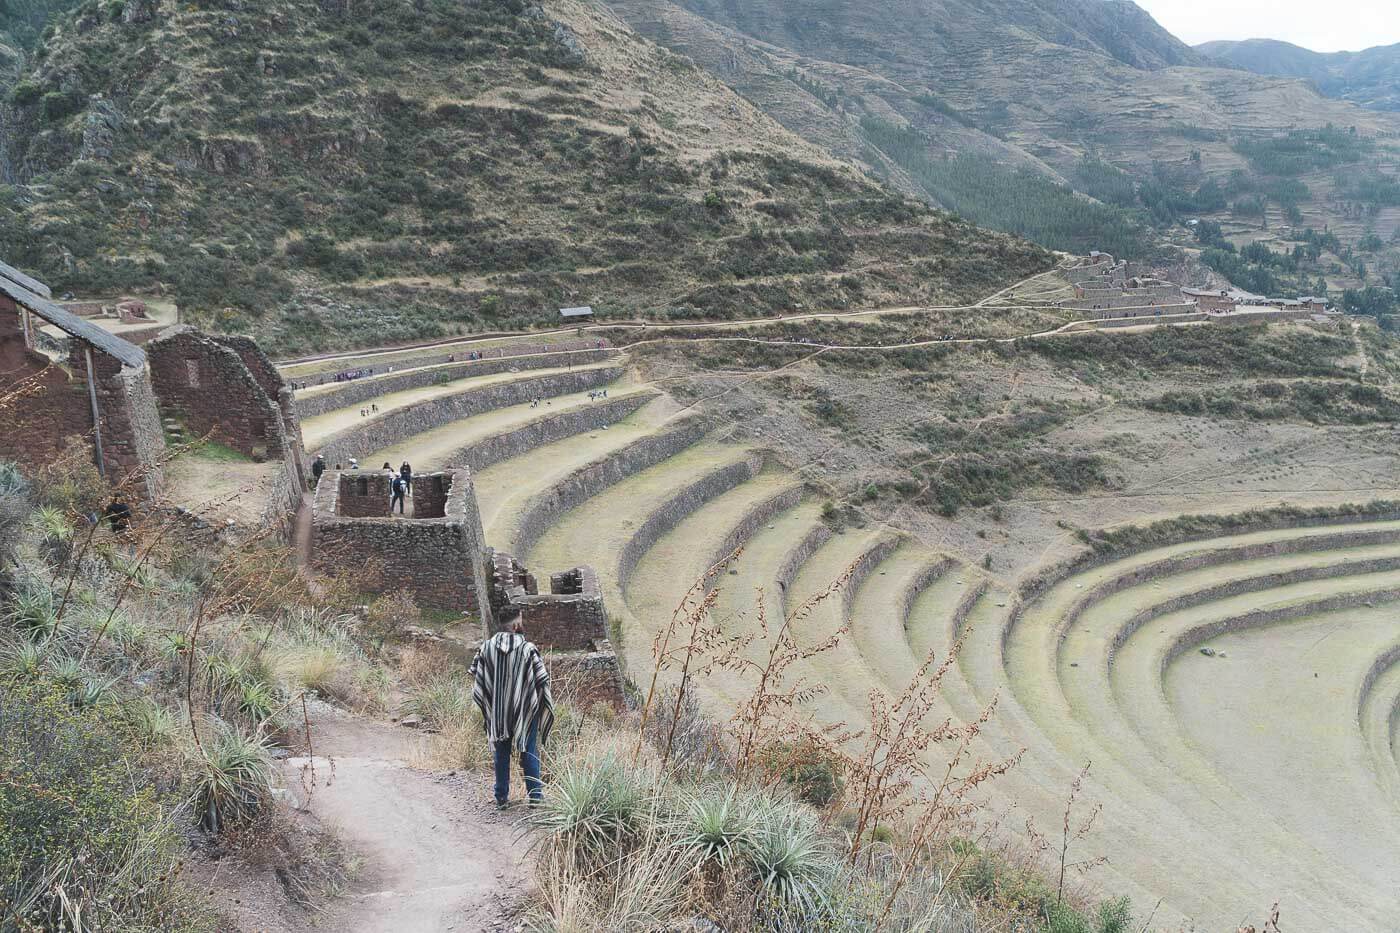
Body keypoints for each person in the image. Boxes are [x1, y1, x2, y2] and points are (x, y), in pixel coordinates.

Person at [470, 612, 553, 809]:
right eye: (521, 621)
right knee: (529, 750)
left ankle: (501, 798)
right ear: (515, 625)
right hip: (525, 711)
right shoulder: (528, 649)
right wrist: (538, 702)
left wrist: (494, 699)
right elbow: (542, 680)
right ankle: (535, 798)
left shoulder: (486, 648)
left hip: (498, 712)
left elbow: (477, 676)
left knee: (501, 752)